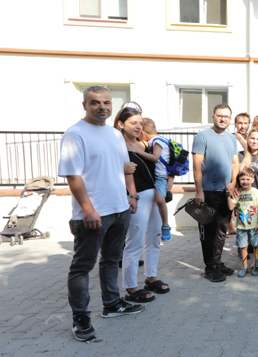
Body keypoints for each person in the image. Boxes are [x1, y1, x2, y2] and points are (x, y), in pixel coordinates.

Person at [59, 87, 142, 342]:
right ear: (84, 105)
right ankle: (81, 318)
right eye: (95, 103)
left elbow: (123, 166)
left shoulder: (114, 134)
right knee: (82, 267)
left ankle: (112, 303)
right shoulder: (75, 134)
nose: (102, 107)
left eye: (106, 102)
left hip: (119, 209)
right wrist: (87, 209)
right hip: (93, 214)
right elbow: (73, 177)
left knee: (111, 259)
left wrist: (131, 194)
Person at [116, 108, 165, 305]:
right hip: (136, 197)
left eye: (140, 123)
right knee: (134, 241)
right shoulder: (117, 145)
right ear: (121, 124)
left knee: (154, 238)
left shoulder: (144, 144)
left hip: (154, 195)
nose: (138, 126)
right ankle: (130, 287)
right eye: (133, 123)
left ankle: (151, 277)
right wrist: (132, 195)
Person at [192, 103, 239, 282]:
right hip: (208, 192)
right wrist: (199, 191)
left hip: (225, 193)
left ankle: (217, 262)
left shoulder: (232, 139)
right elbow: (196, 165)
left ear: (230, 119)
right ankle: (209, 267)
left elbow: (235, 164)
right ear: (213, 116)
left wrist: (233, 183)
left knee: (222, 231)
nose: (223, 119)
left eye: (226, 116)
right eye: (220, 115)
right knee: (208, 232)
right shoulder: (202, 136)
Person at [132, 118, 173, 241]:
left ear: (143, 132)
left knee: (160, 200)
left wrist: (138, 151)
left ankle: (165, 225)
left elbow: (155, 157)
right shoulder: (162, 139)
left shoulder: (157, 141)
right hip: (162, 175)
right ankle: (164, 224)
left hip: (161, 176)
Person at [229, 168, 258, 278]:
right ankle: (245, 267)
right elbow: (231, 206)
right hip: (241, 226)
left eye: (248, 179)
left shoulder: (256, 192)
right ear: (239, 180)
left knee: (255, 246)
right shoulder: (237, 193)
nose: (245, 181)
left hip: (254, 225)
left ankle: (256, 266)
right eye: (242, 179)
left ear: (252, 180)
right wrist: (228, 194)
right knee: (243, 247)